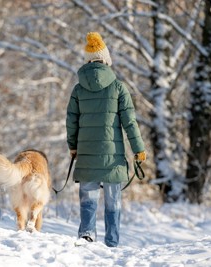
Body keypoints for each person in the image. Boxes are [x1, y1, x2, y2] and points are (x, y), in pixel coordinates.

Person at [66, 32, 146, 247]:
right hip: (113, 157)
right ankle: (112, 242)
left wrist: (73, 147)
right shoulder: (118, 87)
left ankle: (86, 234)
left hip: (86, 154)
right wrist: (138, 150)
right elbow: (130, 122)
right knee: (113, 200)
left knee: (88, 197)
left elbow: (71, 121)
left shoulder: (78, 89)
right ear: (106, 59)